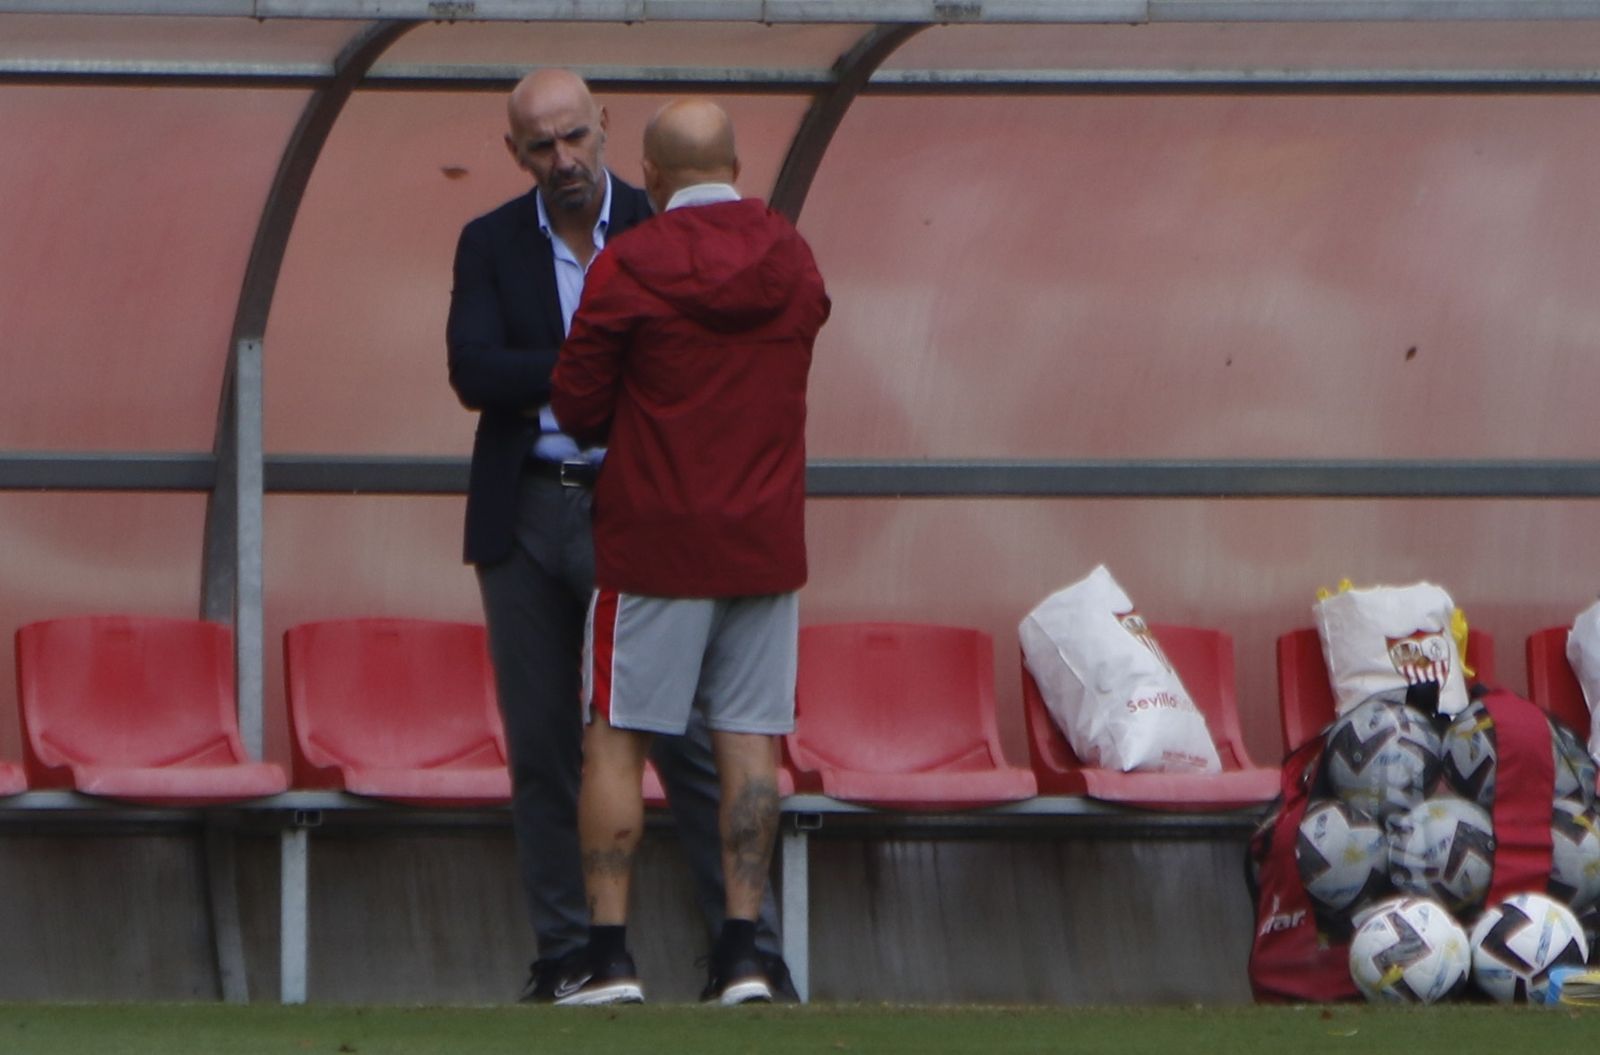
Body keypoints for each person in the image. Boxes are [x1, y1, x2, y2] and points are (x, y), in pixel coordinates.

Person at [445, 69, 791, 1002]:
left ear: (607, 131)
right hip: (524, 505)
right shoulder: (488, 241)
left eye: (574, 138)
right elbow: (473, 369)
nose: (562, 160)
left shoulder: (670, 220)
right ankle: (568, 954)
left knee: (676, 734)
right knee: (544, 744)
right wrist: (604, 350)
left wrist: (602, 354)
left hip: (640, 500)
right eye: (540, 146)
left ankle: (750, 947)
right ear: (513, 152)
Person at [549, 98, 830, 1005]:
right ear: (738, 164)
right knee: (751, 744)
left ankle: (608, 955)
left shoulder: (630, 260)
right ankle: (744, 954)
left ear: (655, 175)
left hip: (654, 541)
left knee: (616, 739)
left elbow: (580, 405)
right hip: (763, 541)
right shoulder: (790, 253)